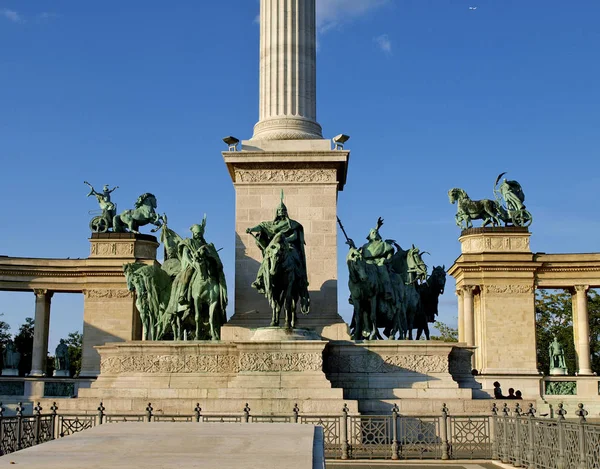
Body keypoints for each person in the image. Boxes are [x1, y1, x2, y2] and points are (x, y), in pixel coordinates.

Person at [246, 192, 308, 295]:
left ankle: (301, 278)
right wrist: (251, 229)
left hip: (289, 246)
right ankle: (259, 279)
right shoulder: (272, 224)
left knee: (296, 259)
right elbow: (261, 226)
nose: (281, 212)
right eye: (279, 210)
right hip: (274, 247)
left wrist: (285, 240)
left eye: (283, 210)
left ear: (286, 212)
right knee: (266, 260)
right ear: (277, 212)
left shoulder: (292, 224)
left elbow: (295, 236)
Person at [360, 217, 395, 299]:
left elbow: (390, 253)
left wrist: (386, 260)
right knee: (358, 272)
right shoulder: (365, 246)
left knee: (383, 271)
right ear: (369, 235)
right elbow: (359, 254)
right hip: (367, 263)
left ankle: (387, 291)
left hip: (379, 262)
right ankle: (354, 294)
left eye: (375, 232)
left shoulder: (383, 244)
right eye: (372, 233)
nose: (374, 233)